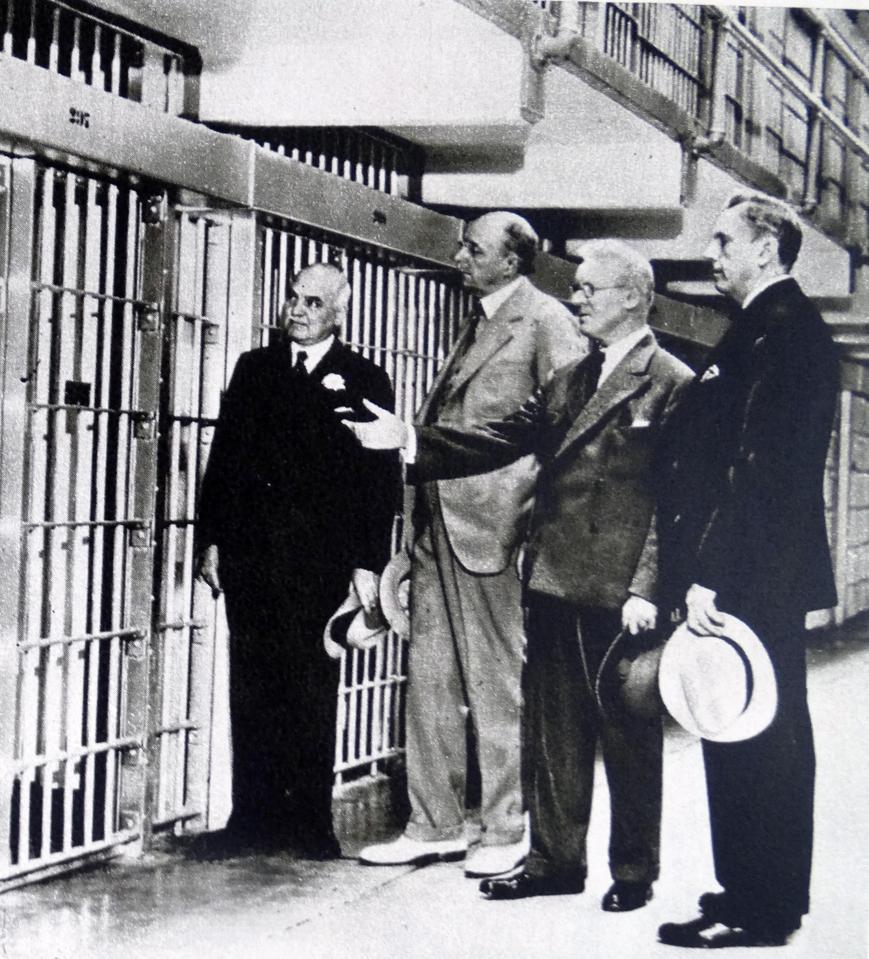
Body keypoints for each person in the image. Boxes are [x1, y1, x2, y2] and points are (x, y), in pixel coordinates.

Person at [347, 240, 692, 909]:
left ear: (632, 296)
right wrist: (413, 441)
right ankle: (553, 861)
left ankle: (632, 872)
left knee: (626, 732)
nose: (578, 297)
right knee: (553, 730)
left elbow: (672, 503)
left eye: (591, 288)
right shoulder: (570, 380)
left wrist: (647, 590)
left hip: (620, 592)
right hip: (554, 578)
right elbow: (500, 437)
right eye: (579, 287)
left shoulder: (670, 380)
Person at [358, 212, 583, 878]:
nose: (460, 256)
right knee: (428, 684)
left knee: (495, 686)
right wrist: (414, 532)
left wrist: (531, 531)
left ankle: (507, 824)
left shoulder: (545, 322)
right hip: (439, 527)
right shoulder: (480, 320)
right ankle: (434, 822)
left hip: (494, 530)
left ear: (511, 262)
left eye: (473, 248)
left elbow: (565, 435)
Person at [655, 193, 839, 948]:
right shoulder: (761, 329)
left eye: (725, 239)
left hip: (753, 570)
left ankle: (762, 906)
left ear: (766, 249)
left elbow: (760, 470)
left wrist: (712, 572)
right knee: (736, 725)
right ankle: (745, 889)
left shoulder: (785, 333)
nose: (712, 252)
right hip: (754, 568)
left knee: (760, 731)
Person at [195, 262, 400, 858]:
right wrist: (213, 539)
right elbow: (226, 455)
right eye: (292, 297)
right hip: (253, 556)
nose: (298, 310)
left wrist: (368, 561)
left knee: (312, 685)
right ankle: (250, 819)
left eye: (313, 301)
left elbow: (378, 477)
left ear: (340, 310)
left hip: (322, 561)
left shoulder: (364, 377)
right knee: (252, 683)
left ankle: (310, 821)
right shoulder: (255, 369)